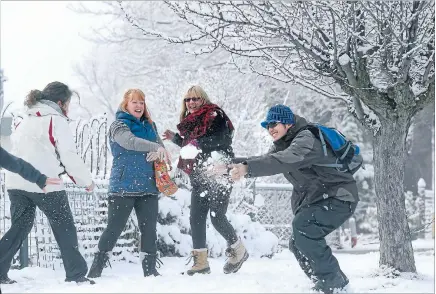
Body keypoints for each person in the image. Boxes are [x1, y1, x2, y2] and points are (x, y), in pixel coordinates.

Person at [226, 105, 358, 293]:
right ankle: (323, 282)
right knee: (297, 242)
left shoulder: (306, 139)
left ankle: (334, 283)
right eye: (267, 125)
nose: (270, 128)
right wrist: (231, 165)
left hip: (339, 196)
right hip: (321, 198)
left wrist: (247, 168)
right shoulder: (284, 144)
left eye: (274, 123)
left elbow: (282, 160)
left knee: (304, 228)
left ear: (288, 123)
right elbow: (265, 160)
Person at [0, 82, 95, 285]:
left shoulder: (24, 118)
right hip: (46, 181)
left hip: (17, 181)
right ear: (60, 103)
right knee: (64, 226)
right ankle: (76, 274)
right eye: (68, 104)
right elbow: (68, 155)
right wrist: (85, 181)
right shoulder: (56, 120)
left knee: (19, 227)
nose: (68, 109)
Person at [163, 85, 249, 276]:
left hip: (219, 169)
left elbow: (222, 140)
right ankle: (200, 263)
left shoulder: (214, 114)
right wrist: (176, 139)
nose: (191, 102)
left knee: (217, 216)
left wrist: (197, 143)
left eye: (195, 99)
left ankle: (239, 250)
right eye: (188, 99)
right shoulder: (190, 121)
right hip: (199, 173)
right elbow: (192, 145)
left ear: (203, 100)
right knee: (196, 217)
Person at [87, 89, 170, 279]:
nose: (139, 106)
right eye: (135, 102)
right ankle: (95, 270)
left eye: (142, 102)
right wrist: (154, 147)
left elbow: (161, 148)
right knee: (114, 229)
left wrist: (159, 152)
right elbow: (129, 142)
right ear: (126, 104)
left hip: (148, 186)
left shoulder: (151, 125)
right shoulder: (118, 125)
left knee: (149, 230)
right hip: (123, 186)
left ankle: (150, 272)